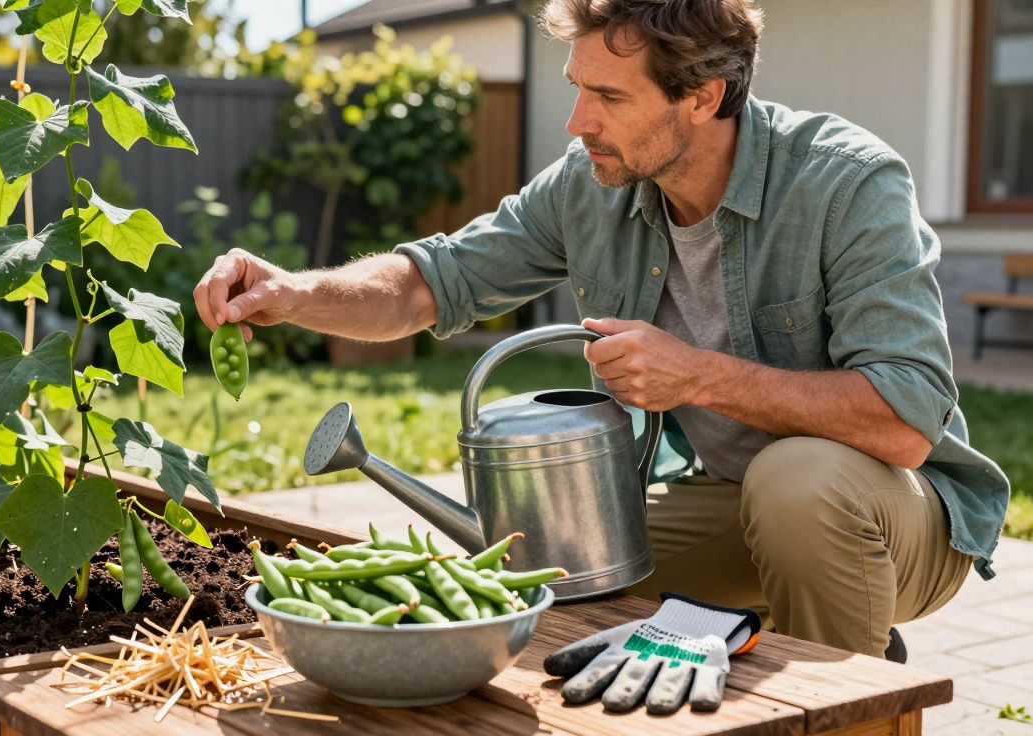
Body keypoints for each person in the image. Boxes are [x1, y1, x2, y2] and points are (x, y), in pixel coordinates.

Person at [193, 0, 1009, 660]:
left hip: (900, 518)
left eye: (611, 97)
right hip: (731, 502)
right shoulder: (592, 186)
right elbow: (427, 285)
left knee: (797, 482)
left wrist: (696, 376)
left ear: (703, 95)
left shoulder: (847, 181)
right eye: (577, 86)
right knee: (551, 560)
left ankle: (849, 693)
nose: (578, 121)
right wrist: (293, 292)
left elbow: (905, 422)